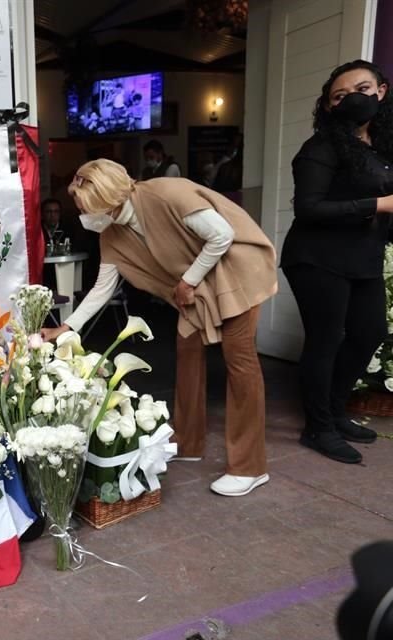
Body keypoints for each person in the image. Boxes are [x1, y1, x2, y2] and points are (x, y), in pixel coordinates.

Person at [41, 159, 278, 497]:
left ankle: (249, 467)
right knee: (187, 349)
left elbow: (222, 235)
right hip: (195, 288)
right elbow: (102, 288)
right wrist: (66, 327)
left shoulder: (168, 193)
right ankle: (188, 441)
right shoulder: (112, 233)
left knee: (239, 363)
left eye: (83, 205)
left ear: (107, 199)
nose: (80, 213)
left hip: (236, 271)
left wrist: (188, 280)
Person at [281, 60, 393, 464]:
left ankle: (335, 409)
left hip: (361, 257)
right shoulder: (320, 148)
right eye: (340, 96)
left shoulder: (380, 151)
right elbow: (309, 209)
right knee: (326, 339)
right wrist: (378, 204)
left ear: (381, 92)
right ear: (328, 107)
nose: (352, 100)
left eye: (362, 90)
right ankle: (318, 427)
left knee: (369, 332)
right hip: (316, 257)